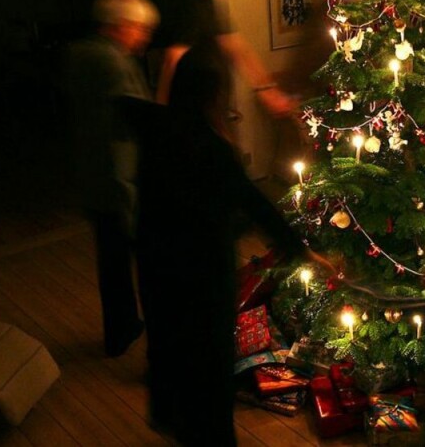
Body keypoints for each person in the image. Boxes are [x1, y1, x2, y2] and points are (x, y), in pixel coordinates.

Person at [120, 41, 331, 446]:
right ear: (212, 94)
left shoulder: (155, 129)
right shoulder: (210, 147)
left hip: (156, 266)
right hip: (202, 273)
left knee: (168, 347)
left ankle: (172, 418)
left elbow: (125, 108)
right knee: (210, 362)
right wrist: (303, 249)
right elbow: (255, 204)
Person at [63, 0, 158, 357]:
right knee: (146, 257)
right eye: (140, 29)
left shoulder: (78, 54)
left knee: (111, 259)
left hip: (91, 171)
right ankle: (144, 333)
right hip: (119, 176)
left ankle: (121, 329)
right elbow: (138, 117)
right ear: (121, 26)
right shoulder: (112, 62)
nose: (143, 37)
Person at [156, 0, 293, 118]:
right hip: (193, 110)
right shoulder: (189, 10)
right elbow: (171, 60)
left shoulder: (209, 4)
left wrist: (267, 91)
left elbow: (237, 47)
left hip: (213, 106)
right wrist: (160, 112)